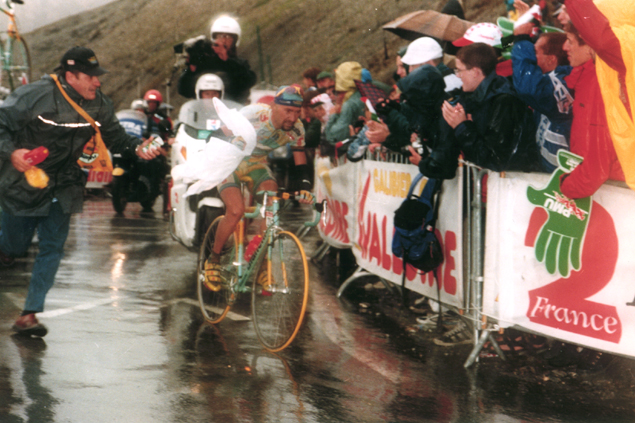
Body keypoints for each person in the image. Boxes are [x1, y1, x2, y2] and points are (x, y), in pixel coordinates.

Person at [0, 46, 159, 336]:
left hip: (65, 185)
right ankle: (6, 249)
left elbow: (117, 138)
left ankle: (30, 314)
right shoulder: (34, 95)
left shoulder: (99, 104)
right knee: (13, 245)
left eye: (98, 77)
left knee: (53, 247)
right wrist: (12, 153)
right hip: (25, 183)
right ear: (70, 76)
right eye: (91, 77)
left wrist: (138, 148)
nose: (97, 82)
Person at [204, 85, 313, 287]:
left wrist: (305, 187)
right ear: (273, 106)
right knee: (235, 211)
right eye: (287, 111)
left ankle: (263, 267)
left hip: (256, 165)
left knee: (272, 203)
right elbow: (218, 133)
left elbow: (300, 163)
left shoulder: (297, 128)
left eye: (297, 112)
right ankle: (214, 259)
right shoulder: (253, 114)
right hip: (230, 163)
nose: (293, 117)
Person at [412, 42, 541, 179]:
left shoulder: (504, 101)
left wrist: (462, 127)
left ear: (475, 72)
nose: (458, 76)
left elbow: (495, 159)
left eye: (459, 70)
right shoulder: (475, 97)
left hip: (510, 188)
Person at [554, 6, 625, 199]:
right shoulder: (585, 78)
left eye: (569, 41)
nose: (564, 47)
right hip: (603, 188)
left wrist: (565, 186)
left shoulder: (600, 85)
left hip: (613, 192)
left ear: (590, 46)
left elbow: (597, 166)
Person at [512, 30, 573, 171]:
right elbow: (502, 48)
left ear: (551, 59)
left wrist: (521, 40)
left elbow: (528, 88)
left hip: (559, 174)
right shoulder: (546, 79)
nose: (531, 58)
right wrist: (518, 39)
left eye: (534, 53)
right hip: (545, 165)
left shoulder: (561, 84)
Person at [176, 15, 257, 104]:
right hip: (204, 112)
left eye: (228, 37)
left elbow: (248, 82)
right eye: (220, 36)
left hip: (232, 112)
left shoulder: (240, 64)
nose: (223, 41)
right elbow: (184, 91)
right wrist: (191, 69)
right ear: (213, 38)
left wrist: (227, 60)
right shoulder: (204, 62)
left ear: (235, 40)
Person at [324, 61, 365, 144]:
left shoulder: (349, 105)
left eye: (338, 92)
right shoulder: (369, 91)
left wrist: (333, 115)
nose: (338, 96)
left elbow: (333, 137)